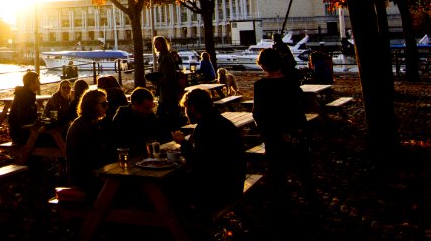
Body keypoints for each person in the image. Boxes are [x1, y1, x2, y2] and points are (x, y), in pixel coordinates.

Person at [252, 47, 315, 203]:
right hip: (295, 131)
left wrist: (263, 130)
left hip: (274, 135)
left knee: (277, 172)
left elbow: (258, 113)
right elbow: (303, 105)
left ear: (263, 66)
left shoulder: (261, 86)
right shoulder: (291, 83)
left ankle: (282, 204)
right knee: (303, 171)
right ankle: (312, 199)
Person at [172, 88, 246, 216]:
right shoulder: (219, 121)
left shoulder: (206, 128)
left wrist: (183, 144)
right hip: (234, 182)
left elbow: (199, 163)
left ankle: (180, 225)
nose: (185, 112)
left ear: (193, 108)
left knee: (173, 185)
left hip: (220, 189)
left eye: (186, 108)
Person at [65, 89, 114, 196]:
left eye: (107, 104)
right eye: (103, 104)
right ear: (92, 106)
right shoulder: (81, 127)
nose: (106, 107)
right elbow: (83, 160)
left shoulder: (94, 123)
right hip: (84, 178)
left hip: (94, 172)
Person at [110, 87, 164, 157]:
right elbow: (118, 142)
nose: (150, 110)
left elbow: (158, 133)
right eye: (146, 108)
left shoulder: (149, 114)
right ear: (135, 104)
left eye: (152, 107)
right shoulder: (122, 117)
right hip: (130, 157)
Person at [8, 70, 40, 145]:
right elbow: (21, 120)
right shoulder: (24, 97)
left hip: (24, 131)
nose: (40, 83)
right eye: (38, 81)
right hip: (21, 135)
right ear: (31, 83)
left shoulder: (27, 95)